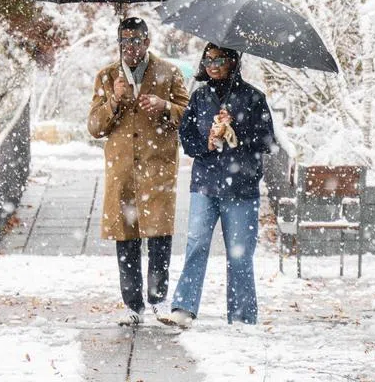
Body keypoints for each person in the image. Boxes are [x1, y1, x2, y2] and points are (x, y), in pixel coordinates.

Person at [159, 43, 275, 329]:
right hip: (205, 185)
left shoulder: (253, 98)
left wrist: (236, 128)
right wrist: (207, 143)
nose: (212, 65)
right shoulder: (199, 98)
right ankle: (184, 307)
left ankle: (242, 316)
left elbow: (267, 141)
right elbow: (186, 140)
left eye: (219, 59)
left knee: (239, 254)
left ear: (233, 61)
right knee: (196, 245)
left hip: (241, 189)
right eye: (208, 59)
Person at [88, 17, 190, 326]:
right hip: (122, 171)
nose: (130, 47)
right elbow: (95, 127)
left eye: (136, 41)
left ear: (147, 42)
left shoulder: (168, 73)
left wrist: (164, 106)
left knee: (159, 235)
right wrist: (115, 99)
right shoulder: (107, 77)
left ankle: (159, 300)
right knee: (126, 237)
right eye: (124, 41)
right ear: (118, 44)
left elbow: (189, 118)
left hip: (157, 165)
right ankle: (133, 305)